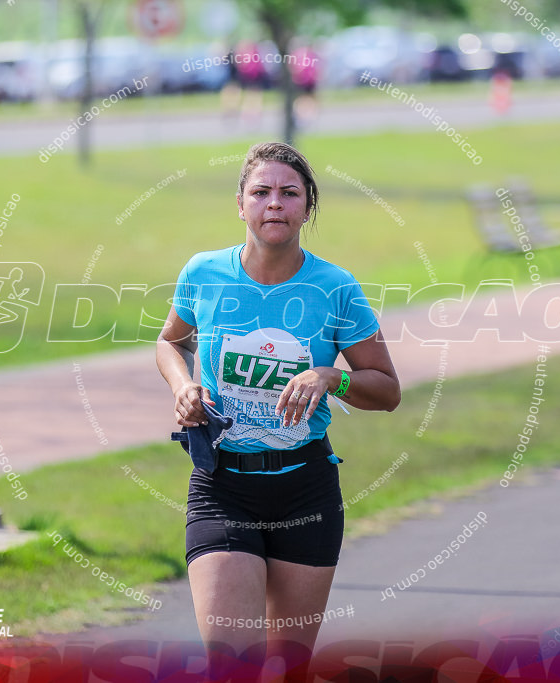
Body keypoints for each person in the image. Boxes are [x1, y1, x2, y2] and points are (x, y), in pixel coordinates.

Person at [156, 141, 400, 675]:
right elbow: (170, 341)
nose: (274, 204)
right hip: (223, 484)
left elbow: (386, 388)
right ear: (240, 204)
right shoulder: (203, 273)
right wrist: (182, 386)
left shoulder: (336, 288)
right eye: (261, 192)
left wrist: (332, 376)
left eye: (289, 194)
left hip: (304, 490)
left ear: (306, 208)